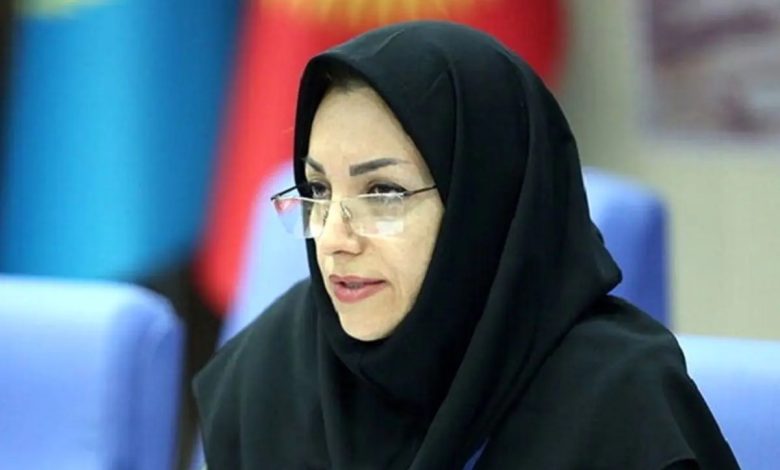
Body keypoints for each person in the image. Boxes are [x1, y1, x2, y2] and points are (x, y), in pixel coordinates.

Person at [194, 21, 738, 469]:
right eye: (317, 191)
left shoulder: (624, 409)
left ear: (482, 205)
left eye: (383, 193)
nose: (334, 238)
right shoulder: (269, 372)